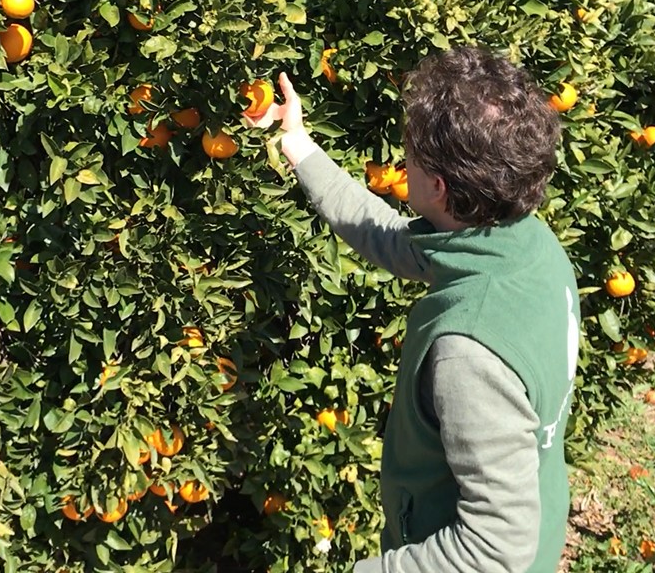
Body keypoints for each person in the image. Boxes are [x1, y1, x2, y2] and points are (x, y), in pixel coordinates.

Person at [247, 46, 580, 572]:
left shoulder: (469, 354)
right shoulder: (525, 246)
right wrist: (300, 147)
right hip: (540, 515)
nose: (403, 166)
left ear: (438, 187)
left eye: (411, 159)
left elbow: (495, 551)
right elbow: (397, 241)